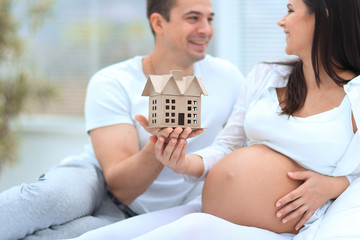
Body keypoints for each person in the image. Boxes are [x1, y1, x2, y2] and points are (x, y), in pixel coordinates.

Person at [69, 0, 360, 239]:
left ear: (322, 17)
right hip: (208, 209)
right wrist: (183, 163)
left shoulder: (356, 96)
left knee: (186, 231)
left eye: (290, 10)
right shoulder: (266, 76)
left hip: (279, 229)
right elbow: (228, 146)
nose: (281, 21)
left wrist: (338, 184)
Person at [0, 0, 244, 239]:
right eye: (193, 18)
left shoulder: (228, 77)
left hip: (148, 212)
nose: (206, 29)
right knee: (53, 199)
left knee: (69, 235)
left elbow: (250, 138)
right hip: (97, 178)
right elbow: (119, 185)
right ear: (158, 23)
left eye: (209, 19)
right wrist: (158, 146)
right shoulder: (113, 81)